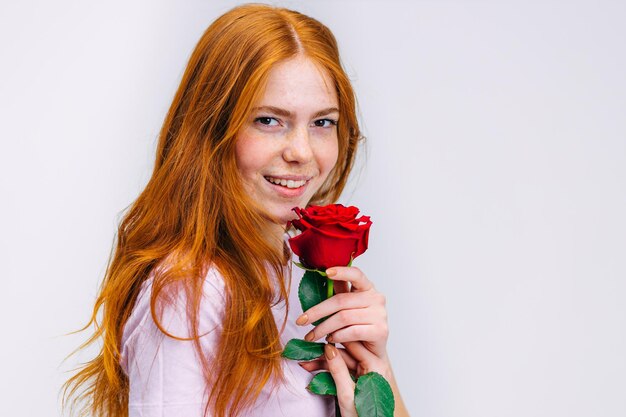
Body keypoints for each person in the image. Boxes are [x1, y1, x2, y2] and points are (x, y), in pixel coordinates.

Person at [64, 4, 409, 417]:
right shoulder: (190, 291)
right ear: (211, 131)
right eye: (268, 120)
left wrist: (376, 372)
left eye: (322, 122)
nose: (301, 151)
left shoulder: (296, 279)